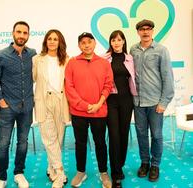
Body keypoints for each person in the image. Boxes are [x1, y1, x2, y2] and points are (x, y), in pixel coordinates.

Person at [65, 32, 113, 188]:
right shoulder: (72, 62)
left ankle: (103, 172)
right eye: (83, 42)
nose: (86, 45)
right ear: (79, 45)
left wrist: (99, 104)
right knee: (80, 143)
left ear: (94, 43)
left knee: (100, 143)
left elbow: (108, 85)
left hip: (99, 111)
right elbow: (69, 87)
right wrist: (85, 105)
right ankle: (80, 172)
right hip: (79, 112)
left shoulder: (104, 63)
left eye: (89, 42)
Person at [0, 21, 36, 188]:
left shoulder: (33, 54)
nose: (22, 35)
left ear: (28, 35)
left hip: (27, 107)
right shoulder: (1, 55)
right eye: (19, 32)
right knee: (3, 143)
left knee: (23, 142)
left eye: (25, 33)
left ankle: (19, 173)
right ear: (13, 33)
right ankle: (1, 177)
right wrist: (1, 101)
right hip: (8, 107)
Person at [130, 19, 174, 182]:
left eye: (149, 29)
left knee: (156, 135)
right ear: (138, 32)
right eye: (142, 29)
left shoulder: (161, 50)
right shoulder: (133, 49)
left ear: (153, 31)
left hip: (155, 103)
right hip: (138, 103)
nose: (145, 32)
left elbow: (168, 77)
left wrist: (164, 102)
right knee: (141, 135)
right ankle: (145, 163)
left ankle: (155, 165)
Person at [32, 29, 70, 188]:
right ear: (45, 41)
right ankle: (60, 173)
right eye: (50, 39)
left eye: (56, 39)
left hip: (61, 101)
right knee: (49, 139)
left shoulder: (67, 60)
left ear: (60, 41)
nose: (52, 41)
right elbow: (32, 79)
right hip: (43, 101)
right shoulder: (37, 59)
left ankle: (51, 168)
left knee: (58, 139)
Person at [103, 30, 137, 188]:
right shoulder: (105, 59)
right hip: (110, 101)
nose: (116, 43)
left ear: (123, 41)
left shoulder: (130, 58)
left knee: (123, 134)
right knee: (114, 135)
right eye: (113, 40)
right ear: (110, 42)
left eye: (119, 40)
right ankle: (116, 173)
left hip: (126, 101)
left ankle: (119, 164)